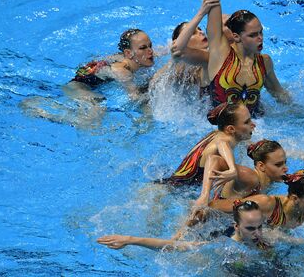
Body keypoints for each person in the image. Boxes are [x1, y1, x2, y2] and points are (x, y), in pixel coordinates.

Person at [205, 0, 292, 116]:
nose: (260, 38)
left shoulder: (264, 63)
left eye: (260, 32)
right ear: (236, 37)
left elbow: (280, 95)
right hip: (220, 128)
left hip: (253, 125)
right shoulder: (220, 54)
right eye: (252, 35)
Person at [167, 102, 255, 207]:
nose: (253, 124)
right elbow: (222, 143)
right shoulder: (224, 139)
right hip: (173, 191)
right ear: (231, 129)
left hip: (169, 184)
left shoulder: (218, 133)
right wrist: (232, 169)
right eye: (247, 122)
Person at [97, 200, 269, 251]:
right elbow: (175, 247)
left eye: (260, 227)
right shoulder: (223, 245)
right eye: (251, 228)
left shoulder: (264, 242)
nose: (257, 233)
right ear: (236, 226)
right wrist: (130, 239)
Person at [64, 28, 155, 104]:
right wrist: (157, 80)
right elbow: (135, 99)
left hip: (87, 78)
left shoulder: (133, 56)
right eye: (143, 48)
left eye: (150, 46)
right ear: (128, 53)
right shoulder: (122, 71)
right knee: (98, 103)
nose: (150, 51)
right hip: (78, 87)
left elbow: (163, 50)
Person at [214, 139, 288, 200]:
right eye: (278, 165)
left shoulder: (270, 181)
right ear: (261, 166)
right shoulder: (251, 178)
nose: (286, 169)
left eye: (285, 162)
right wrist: (204, 196)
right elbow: (215, 160)